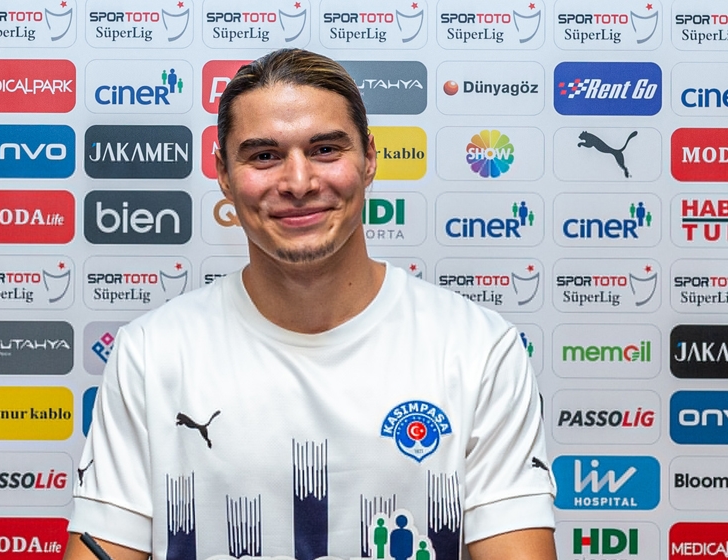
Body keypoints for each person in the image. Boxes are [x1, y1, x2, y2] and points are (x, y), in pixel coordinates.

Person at [65, 49, 556, 560]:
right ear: (223, 173)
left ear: (369, 158)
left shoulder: (478, 349)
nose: (298, 183)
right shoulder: (151, 352)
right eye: (264, 156)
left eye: (324, 150)